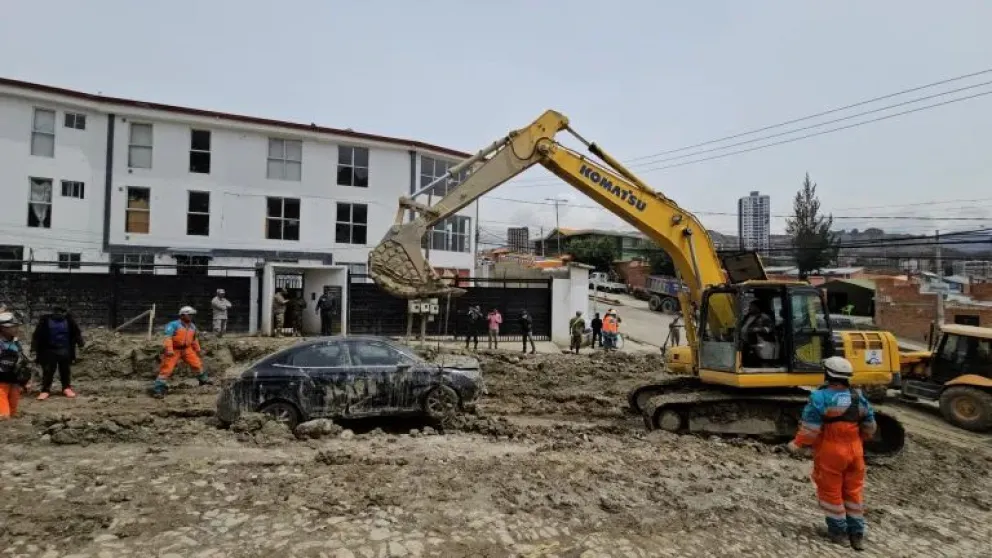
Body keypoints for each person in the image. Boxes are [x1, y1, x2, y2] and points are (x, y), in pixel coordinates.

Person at [788, 356, 877, 552]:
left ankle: (839, 533)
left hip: (831, 451)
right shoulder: (857, 397)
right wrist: (860, 440)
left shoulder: (820, 397)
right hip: (856, 451)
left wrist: (797, 444)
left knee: (831, 492)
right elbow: (870, 426)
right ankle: (857, 535)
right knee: (853, 493)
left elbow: (810, 430)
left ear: (828, 374)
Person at [153, 306, 211, 397]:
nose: (191, 317)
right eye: (189, 315)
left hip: (187, 349)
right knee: (167, 368)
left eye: (192, 315)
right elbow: (167, 338)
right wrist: (169, 349)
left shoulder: (192, 326)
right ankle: (159, 389)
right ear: (182, 315)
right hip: (174, 349)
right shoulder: (173, 325)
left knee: (197, 364)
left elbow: (194, 339)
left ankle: (203, 379)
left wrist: (198, 350)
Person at [31, 305, 85, 400]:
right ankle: (45, 390)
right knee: (48, 371)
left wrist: (81, 345)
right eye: (57, 312)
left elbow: (76, 333)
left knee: (65, 370)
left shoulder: (69, 321)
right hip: (49, 350)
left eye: (61, 312)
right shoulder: (45, 321)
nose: (59, 314)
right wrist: (33, 349)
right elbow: (37, 336)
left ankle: (66, 388)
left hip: (65, 349)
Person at [0, 312, 31, 419]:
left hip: (14, 380)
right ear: (3, 328)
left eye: (15, 326)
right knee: (3, 415)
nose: (15, 329)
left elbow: (23, 361)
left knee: (13, 410)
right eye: (12, 327)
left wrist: (25, 381)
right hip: (1, 382)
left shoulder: (16, 342)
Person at [742, 301, 776, 366]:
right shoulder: (747, 316)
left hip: (758, 343)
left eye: (751, 306)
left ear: (757, 307)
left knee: (759, 361)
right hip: (746, 342)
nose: (749, 308)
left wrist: (757, 329)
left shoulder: (764, 317)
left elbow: (770, 328)